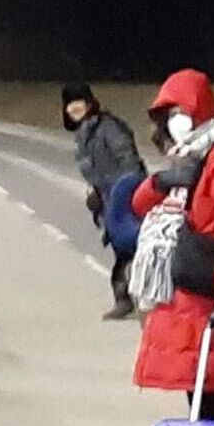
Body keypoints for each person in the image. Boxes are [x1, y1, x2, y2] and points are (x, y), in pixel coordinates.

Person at [128, 69, 214, 420]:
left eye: (182, 112)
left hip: (207, 287)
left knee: (208, 388)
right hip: (184, 290)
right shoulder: (185, 157)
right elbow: (139, 205)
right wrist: (161, 182)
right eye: (170, 115)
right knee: (198, 387)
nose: (177, 122)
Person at [61, 82, 146, 320]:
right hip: (108, 199)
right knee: (124, 250)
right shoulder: (84, 133)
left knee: (134, 248)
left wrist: (124, 195)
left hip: (125, 198)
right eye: (69, 104)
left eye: (78, 102)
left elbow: (128, 160)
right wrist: (95, 194)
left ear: (89, 103)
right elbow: (95, 170)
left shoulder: (108, 127)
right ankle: (126, 298)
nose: (74, 108)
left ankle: (132, 298)